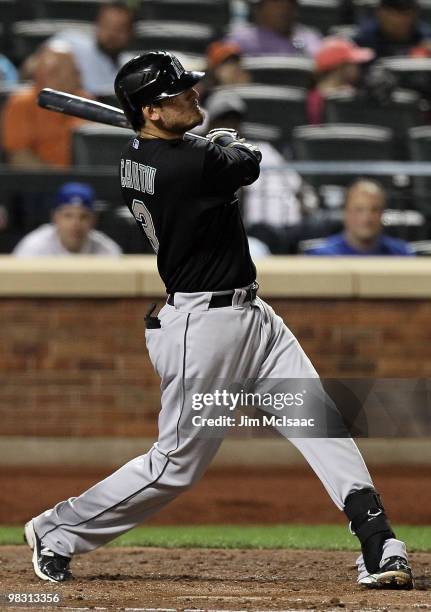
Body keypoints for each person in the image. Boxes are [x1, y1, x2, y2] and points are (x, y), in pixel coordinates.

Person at [24, 51, 413, 591]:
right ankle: (57, 530)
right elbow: (245, 164)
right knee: (176, 465)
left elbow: (206, 156)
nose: (192, 96)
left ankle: (379, 542)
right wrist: (230, 146)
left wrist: (214, 144)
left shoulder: (143, 158)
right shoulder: (187, 165)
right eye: (177, 93)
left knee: (320, 422)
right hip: (202, 332)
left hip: (253, 317)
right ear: (152, 113)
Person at [203, 89, 319, 253]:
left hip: (293, 226)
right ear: (210, 125)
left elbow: (299, 187)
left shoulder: (264, 149)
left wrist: (308, 205)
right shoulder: (206, 157)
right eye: (223, 121)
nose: (230, 127)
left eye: (234, 121)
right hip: (255, 231)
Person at [1, 46, 89, 168]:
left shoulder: (86, 101)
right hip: (40, 181)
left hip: (87, 179)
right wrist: (59, 179)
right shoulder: (22, 103)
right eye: (74, 71)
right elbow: (18, 156)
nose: (78, 76)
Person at [305, 179, 415, 255]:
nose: (367, 218)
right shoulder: (322, 257)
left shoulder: (401, 254)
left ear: (383, 213)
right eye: (359, 209)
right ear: (345, 212)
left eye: (374, 210)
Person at [47, 1, 135, 96]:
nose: (112, 34)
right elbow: (36, 64)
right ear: (97, 24)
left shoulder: (133, 66)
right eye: (107, 25)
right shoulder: (73, 44)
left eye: (119, 29)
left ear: (131, 33)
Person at [13, 183, 121, 256]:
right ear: (55, 218)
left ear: (93, 220)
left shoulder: (107, 250)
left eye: (83, 216)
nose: (75, 224)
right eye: (68, 216)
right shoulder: (34, 247)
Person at [307, 37, 375, 124]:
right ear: (341, 67)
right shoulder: (315, 99)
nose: (358, 67)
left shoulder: (354, 91)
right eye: (353, 63)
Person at [225, 0, 322, 57]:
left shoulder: (308, 37)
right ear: (259, 9)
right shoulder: (242, 39)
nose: (285, 8)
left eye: (290, 3)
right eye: (276, 3)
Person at [354, 0, 431, 58]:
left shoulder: (426, 37)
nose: (398, 20)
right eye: (392, 15)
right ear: (379, 13)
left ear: (415, 14)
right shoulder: (363, 40)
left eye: (404, 14)